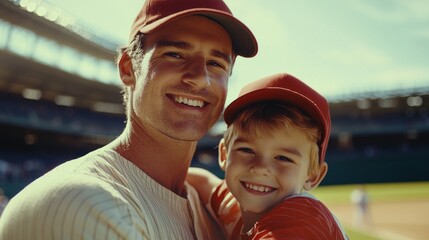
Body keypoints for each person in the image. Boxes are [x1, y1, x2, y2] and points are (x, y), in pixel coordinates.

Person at [0, 0, 257, 239]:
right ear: (127, 68)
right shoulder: (86, 201)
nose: (201, 77)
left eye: (216, 63)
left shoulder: (206, 204)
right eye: (175, 55)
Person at [188, 73, 349, 239]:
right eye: (247, 150)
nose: (260, 168)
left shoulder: (303, 217)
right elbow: (205, 183)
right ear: (224, 154)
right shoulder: (235, 209)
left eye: (283, 158)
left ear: (313, 175)